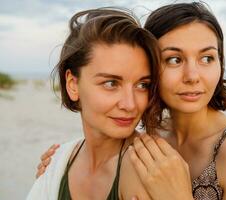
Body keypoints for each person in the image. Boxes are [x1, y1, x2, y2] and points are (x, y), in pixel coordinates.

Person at [35, 2, 226, 200]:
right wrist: (59, 163)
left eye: (208, 58)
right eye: (174, 59)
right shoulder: (146, 136)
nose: (192, 76)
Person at [26, 7, 166, 200]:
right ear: (73, 84)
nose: (130, 104)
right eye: (111, 83)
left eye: (142, 85)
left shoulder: (147, 170)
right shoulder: (58, 162)